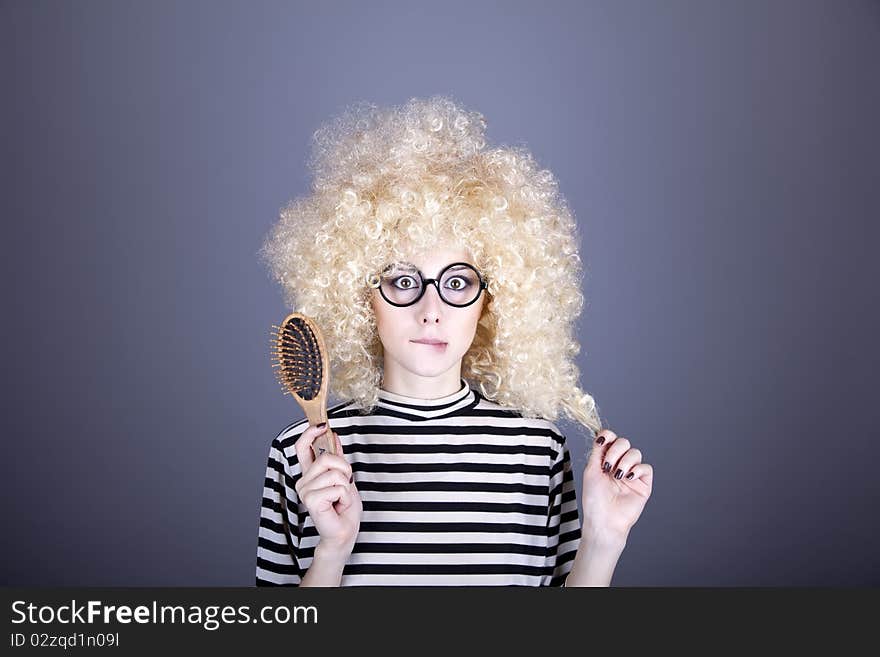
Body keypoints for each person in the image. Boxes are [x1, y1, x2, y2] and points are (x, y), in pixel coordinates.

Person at [255, 95, 653, 586]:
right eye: (403, 282)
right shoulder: (302, 453)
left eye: (458, 282)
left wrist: (604, 540)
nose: (431, 311)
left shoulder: (537, 449)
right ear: (363, 296)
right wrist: (332, 549)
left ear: (491, 300)